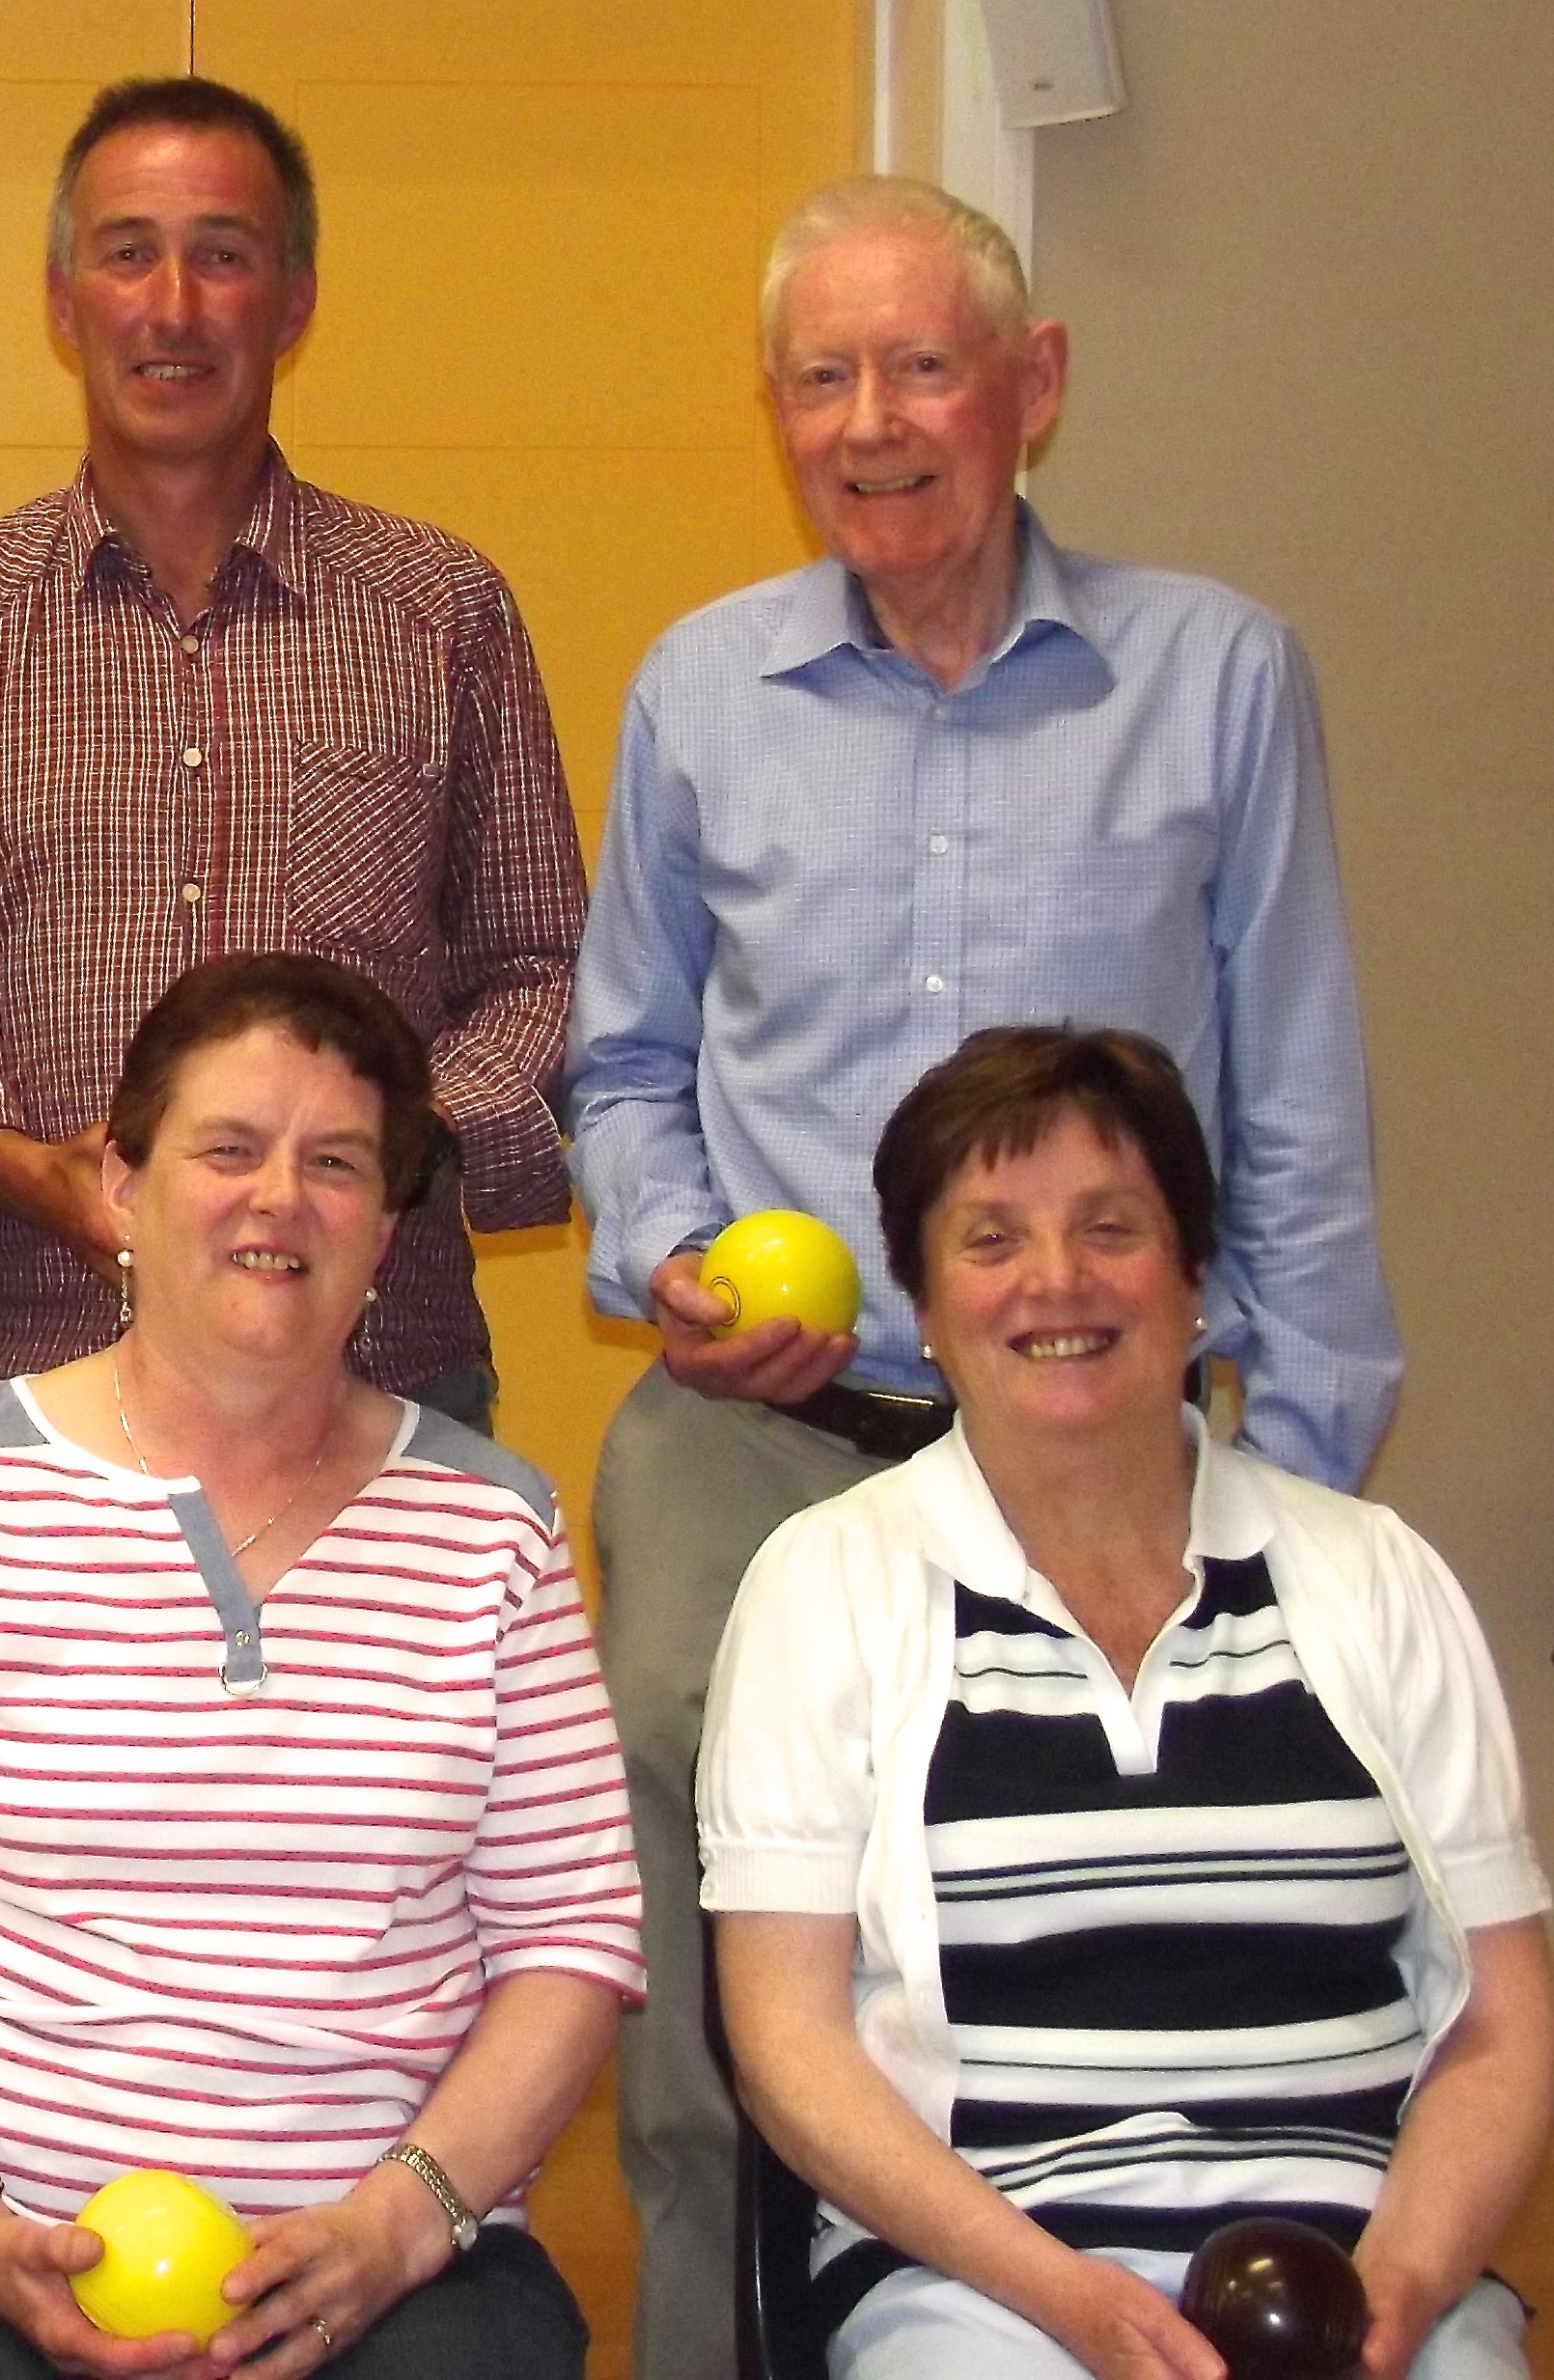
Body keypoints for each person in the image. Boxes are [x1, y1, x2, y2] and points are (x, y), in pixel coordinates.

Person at [563, 174, 1406, 2380]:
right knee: (710, 2051)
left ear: (1034, 388)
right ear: (774, 409)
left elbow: (1295, 1103)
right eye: (821, 375)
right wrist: (667, 1264)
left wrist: (1292, 1493)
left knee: (1140, 1990)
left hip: (1113, 1457)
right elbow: (622, 1066)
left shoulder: (1213, 675)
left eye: (922, 364)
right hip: (760, 1448)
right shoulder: (698, 689)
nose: (870, 422)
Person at [0, 952, 642, 2380]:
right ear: (121, 1185)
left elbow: (568, 1940)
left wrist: (399, 2221)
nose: (279, 1199)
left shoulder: (500, 1524)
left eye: (340, 1163)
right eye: (228, 1149)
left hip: (394, 2250)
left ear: (387, 1221)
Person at [704, 1026, 1543, 2377]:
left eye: (1112, 1226)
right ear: (922, 1303)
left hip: (1359, 2269)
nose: (1059, 1279)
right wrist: (1068, 2297)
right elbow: (787, 2034)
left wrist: (1402, 2284)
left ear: (1194, 1273)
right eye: (991, 1240)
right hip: (984, 2282)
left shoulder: (1375, 1575)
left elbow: (1504, 2015)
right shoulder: (825, 1585)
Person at [0, 75, 585, 1427]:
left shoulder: (442, 613)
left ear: (293, 301)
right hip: (36, 1376)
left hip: (388, 1377)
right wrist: (17, 1164)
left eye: (222, 256)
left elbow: (545, 969)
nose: (172, 304)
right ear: (63, 299)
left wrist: (382, 1151)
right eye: (128, 252)